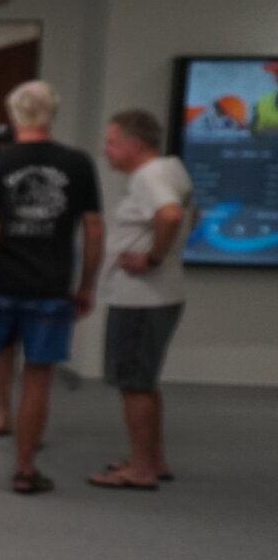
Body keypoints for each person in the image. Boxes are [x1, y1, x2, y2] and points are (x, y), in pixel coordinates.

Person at [0, 81, 103, 494]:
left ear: (14, 114)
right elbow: (94, 228)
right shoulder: (78, 163)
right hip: (51, 286)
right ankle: (25, 469)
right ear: (53, 113)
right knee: (37, 379)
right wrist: (86, 284)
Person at [89, 109, 194, 490]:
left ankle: (142, 469)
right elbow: (191, 214)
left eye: (112, 142)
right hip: (157, 295)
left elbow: (171, 215)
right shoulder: (171, 169)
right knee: (143, 382)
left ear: (134, 144)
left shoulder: (151, 175)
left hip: (142, 298)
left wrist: (151, 259)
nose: (105, 150)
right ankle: (151, 459)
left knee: (134, 383)